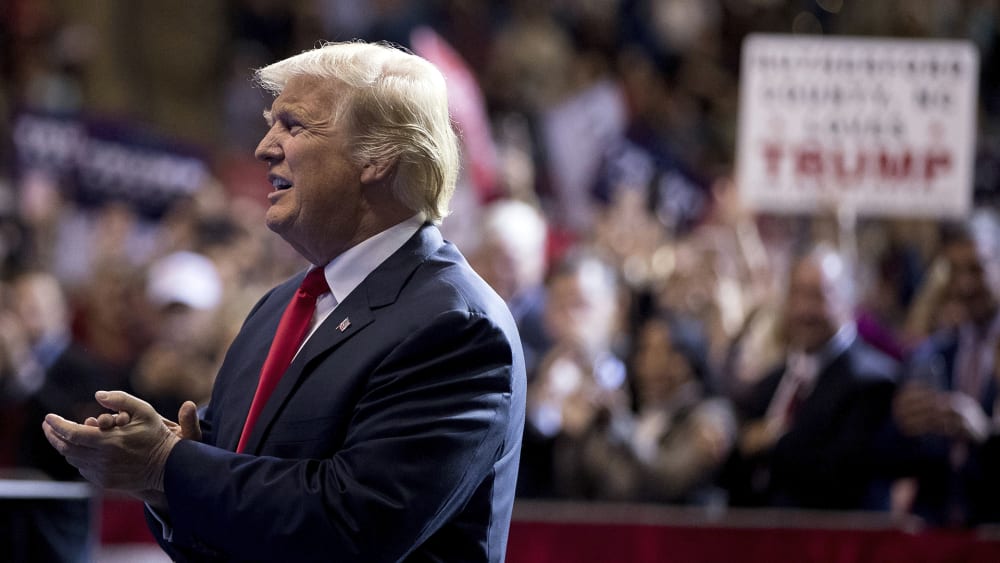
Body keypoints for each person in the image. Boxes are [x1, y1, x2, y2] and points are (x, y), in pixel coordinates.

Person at [41, 40, 527, 562]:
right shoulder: (278, 309)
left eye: (293, 126)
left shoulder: (457, 325)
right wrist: (161, 482)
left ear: (378, 156)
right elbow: (224, 515)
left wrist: (170, 466)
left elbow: (353, 526)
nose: (264, 147)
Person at [723, 244, 899, 510]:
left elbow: (838, 474)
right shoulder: (771, 383)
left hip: (834, 545)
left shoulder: (873, 381)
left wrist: (773, 440)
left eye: (818, 296)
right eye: (796, 295)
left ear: (847, 301)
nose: (804, 310)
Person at [890, 218, 1000, 526]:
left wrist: (985, 433)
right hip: (939, 535)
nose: (964, 285)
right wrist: (902, 426)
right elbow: (896, 460)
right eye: (953, 271)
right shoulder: (931, 353)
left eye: (976, 270)